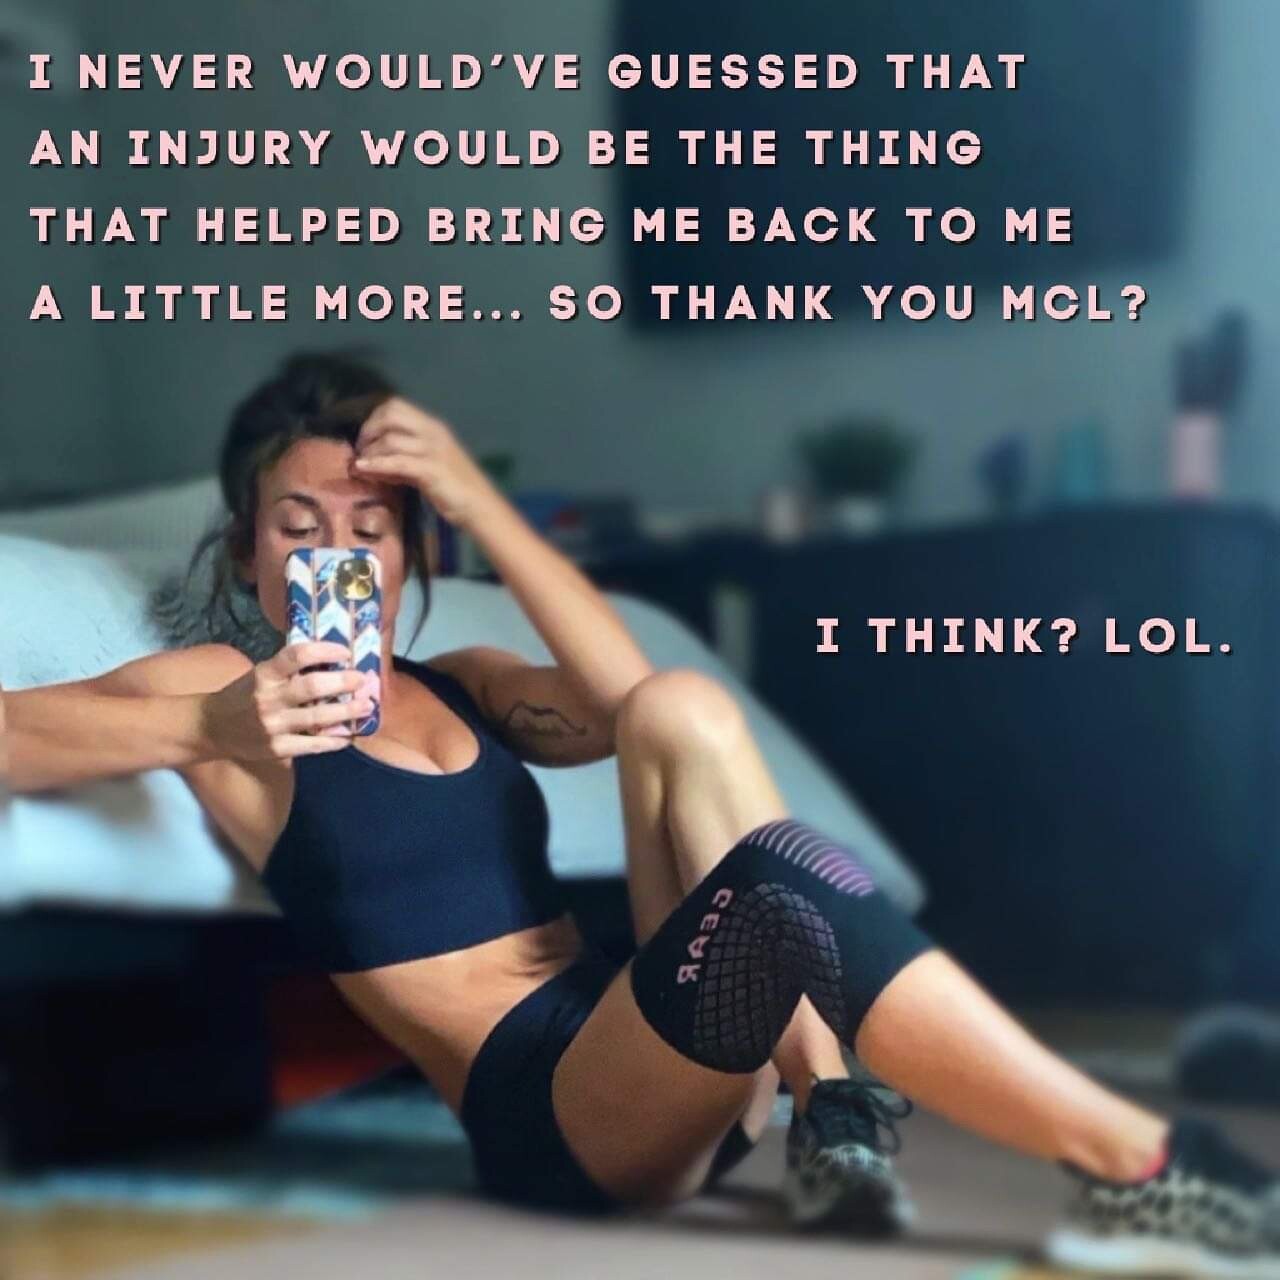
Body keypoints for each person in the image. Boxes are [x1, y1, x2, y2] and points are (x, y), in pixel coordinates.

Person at [4, 353, 1276, 1276]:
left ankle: (829, 1108)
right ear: (246, 554)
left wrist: (479, 498)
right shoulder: (228, 691)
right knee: (774, 881)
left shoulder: (466, 683)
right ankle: (1139, 1163)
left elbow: (632, 703)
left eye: (370, 528)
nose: (337, 555)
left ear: (409, 554)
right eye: (299, 526)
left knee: (678, 703)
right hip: (554, 1110)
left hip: (660, 1042)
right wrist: (203, 728)